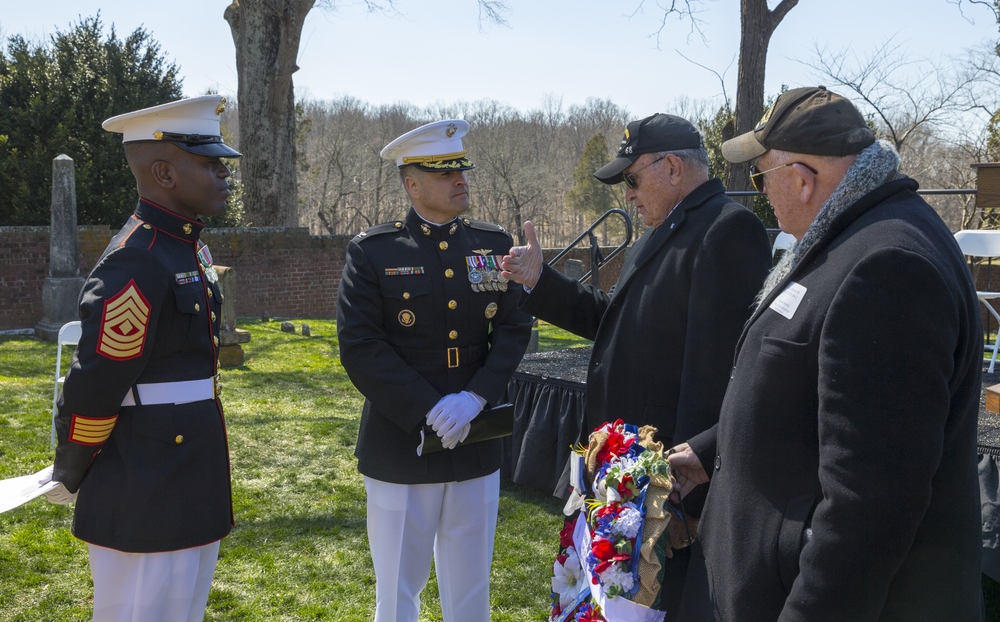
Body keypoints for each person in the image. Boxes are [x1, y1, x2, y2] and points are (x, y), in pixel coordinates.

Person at [667, 86, 984, 621]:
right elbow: (818, 392)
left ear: (802, 178)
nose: (765, 193)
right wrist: (713, 450)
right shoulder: (855, 235)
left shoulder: (887, 267)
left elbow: (870, 510)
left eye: (764, 177)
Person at [500, 113, 772, 619]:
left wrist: (682, 499)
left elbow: (714, 374)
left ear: (671, 166)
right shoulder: (656, 232)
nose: (626, 194)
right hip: (624, 474)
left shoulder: (727, 229)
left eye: (631, 178)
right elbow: (616, 320)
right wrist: (541, 281)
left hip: (668, 486)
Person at [45, 95, 240, 622]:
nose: (224, 175)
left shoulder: (184, 246)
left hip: (185, 470)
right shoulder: (140, 256)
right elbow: (99, 377)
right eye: (210, 164)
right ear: (163, 172)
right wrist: (73, 463)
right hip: (144, 481)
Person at [336, 119, 533, 622]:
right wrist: (427, 406)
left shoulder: (492, 243)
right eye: (445, 173)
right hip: (402, 445)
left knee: (471, 593)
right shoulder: (373, 252)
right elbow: (361, 346)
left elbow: (512, 329)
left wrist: (476, 397)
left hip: (477, 439)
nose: (461, 180)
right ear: (413, 184)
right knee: (399, 593)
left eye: (462, 169)